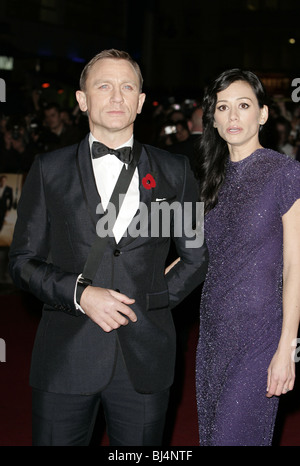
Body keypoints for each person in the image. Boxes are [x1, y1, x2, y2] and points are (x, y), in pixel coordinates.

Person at [9, 49, 208, 446]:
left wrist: (151, 300)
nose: (116, 97)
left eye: (127, 87)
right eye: (104, 86)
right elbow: (22, 262)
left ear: (140, 101)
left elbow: (196, 255)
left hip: (145, 355)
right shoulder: (49, 169)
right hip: (65, 356)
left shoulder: (174, 171)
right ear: (82, 100)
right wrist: (80, 294)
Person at [193, 69, 300, 446]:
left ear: (263, 114)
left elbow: (295, 266)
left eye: (243, 106)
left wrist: (288, 348)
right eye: (223, 107)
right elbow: (200, 258)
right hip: (213, 335)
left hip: (260, 336)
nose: (233, 116)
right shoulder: (212, 181)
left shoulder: (285, 173)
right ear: (214, 118)